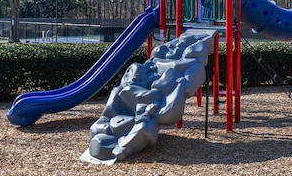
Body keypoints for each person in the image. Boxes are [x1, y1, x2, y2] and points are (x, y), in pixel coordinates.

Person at [86, 31, 215, 161]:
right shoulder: (159, 60)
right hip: (141, 95)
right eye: (175, 45)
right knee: (119, 93)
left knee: (138, 109)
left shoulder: (190, 65)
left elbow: (186, 87)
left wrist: (177, 87)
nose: (174, 47)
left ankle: (128, 142)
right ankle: (118, 132)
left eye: (180, 46)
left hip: (154, 97)